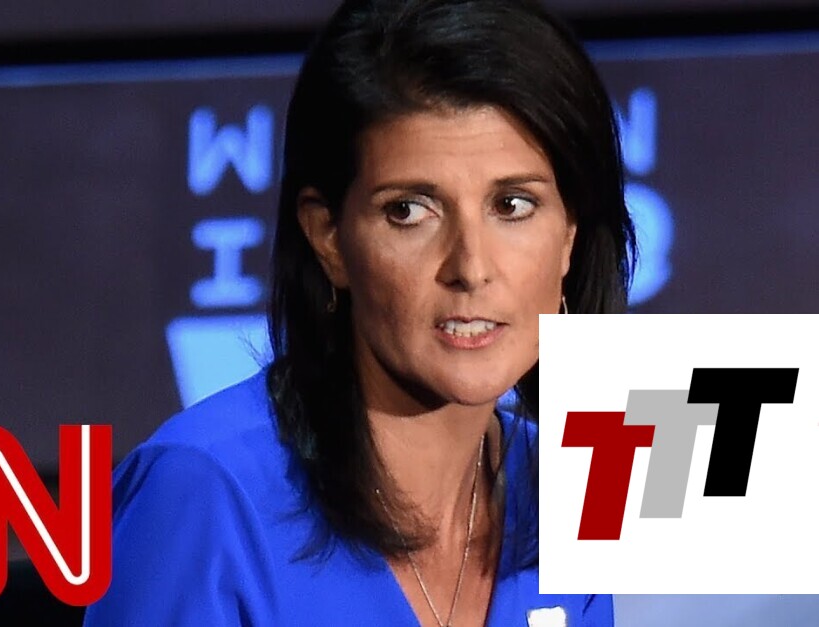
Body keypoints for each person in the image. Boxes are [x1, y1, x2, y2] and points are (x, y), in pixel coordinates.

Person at [85, 0, 634, 624]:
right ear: (328, 237)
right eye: (409, 211)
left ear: (569, 236)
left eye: (512, 205)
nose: (472, 267)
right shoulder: (203, 491)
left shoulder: (577, 491)